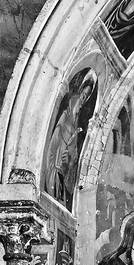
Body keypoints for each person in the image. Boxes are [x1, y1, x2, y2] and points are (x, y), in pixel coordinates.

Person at [43, 73, 97, 208]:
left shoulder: (79, 113)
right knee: (56, 168)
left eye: (88, 94)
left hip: (65, 153)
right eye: (84, 92)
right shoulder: (74, 102)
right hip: (59, 147)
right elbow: (64, 126)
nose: (84, 96)